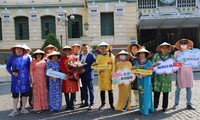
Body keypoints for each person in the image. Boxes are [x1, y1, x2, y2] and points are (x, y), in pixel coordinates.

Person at [6, 44, 31, 116]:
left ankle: (23, 108)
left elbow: (30, 68)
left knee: (25, 94)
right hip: (15, 79)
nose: (19, 50)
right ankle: (15, 110)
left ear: (23, 50)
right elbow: (7, 66)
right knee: (15, 94)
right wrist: (11, 72)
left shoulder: (27, 58)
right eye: (17, 49)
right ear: (15, 50)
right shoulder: (11, 57)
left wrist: (30, 76)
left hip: (25, 79)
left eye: (20, 49)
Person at [152, 42, 175, 112]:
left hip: (167, 77)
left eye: (166, 48)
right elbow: (152, 64)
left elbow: (175, 66)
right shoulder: (156, 55)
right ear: (160, 49)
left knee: (166, 93)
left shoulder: (171, 57)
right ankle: (155, 106)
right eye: (163, 47)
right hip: (158, 77)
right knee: (156, 93)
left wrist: (173, 71)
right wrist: (154, 64)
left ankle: (165, 107)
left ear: (168, 49)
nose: (164, 49)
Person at [92, 42, 115, 110]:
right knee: (102, 90)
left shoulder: (111, 55)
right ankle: (103, 103)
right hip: (101, 75)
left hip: (109, 75)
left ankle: (111, 104)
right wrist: (99, 69)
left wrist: (113, 74)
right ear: (100, 49)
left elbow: (113, 65)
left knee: (110, 90)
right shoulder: (98, 56)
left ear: (107, 48)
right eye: (102, 48)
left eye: (104, 48)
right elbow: (97, 65)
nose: (103, 50)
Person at [173, 39, 195, 110]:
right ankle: (176, 103)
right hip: (180, 73)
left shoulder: (191, 52)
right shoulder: (176, 53)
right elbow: (174, 62)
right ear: (179, 44)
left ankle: (189, 103)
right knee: (178, 89)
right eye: (182, 43)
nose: (183, 44)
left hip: (189, 72)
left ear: (187, 44)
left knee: (189, 89)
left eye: (185, 43)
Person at [135, 47, 154, 116]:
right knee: (141, 94)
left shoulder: (149, 62)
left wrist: (144, 75)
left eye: (143, 53)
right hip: (139, 80)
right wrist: (137, 75)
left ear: (146, 54)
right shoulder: (137, 62)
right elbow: (135, 70)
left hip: (146, 80)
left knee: (146, 93)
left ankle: (147, 109)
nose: (141, 55)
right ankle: (141, 108)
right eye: (140, 53)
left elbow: (151, 70)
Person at [60, 46, 79, 110]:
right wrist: (67, 71)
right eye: (65, 50)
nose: (67, 51)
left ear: (70, 50)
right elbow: (62, 68)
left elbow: (77, 66)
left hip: (72, 76)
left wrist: (72, 72)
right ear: (64, 51)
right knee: (66, 91)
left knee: (73, 91)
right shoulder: (62, 59)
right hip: (65, 76)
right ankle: (68, 105)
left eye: (68, 50)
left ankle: (72, 104)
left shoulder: (74, 57)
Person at [79, 44, 96, 110]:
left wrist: (85, 70)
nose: (84, 49)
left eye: (86, 48)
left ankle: (91, 104)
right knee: (84, 89)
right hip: (82, 75)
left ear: (88, 48)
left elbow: (93, 66)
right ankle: (86, 102)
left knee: (91, 90)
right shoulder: (80, 55)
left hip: (89, 75)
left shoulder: (92, 56)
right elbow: (80, 64)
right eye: (83, 48)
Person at [18, 44, 33, 110]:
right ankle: (21, 105)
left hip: (30, 75)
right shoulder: (20, 58)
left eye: (27, 50)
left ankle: (31, 103)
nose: (26, 51)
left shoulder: (31, 57)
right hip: (23, 77)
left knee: (31, 91)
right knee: (22, 91)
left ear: (29, 51)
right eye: (25, 50)